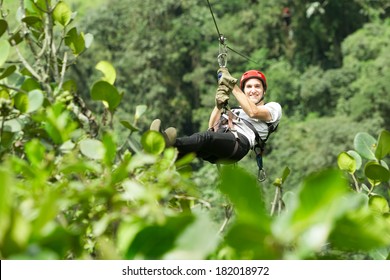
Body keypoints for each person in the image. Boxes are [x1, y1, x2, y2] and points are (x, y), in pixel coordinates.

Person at [150, 68, 282, 164]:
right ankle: (157, 161)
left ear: (264, 90)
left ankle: (165, 144)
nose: (253, 90)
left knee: (204, 138)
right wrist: (218, 106)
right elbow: (211, 127)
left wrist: (231, 85)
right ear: (244, 91)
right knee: (192, 150)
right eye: (249, 87)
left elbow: (254, 112)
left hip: (239, 145)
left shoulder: (273, 108)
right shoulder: (236, 110)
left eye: (257, 87)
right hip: (222, 144)